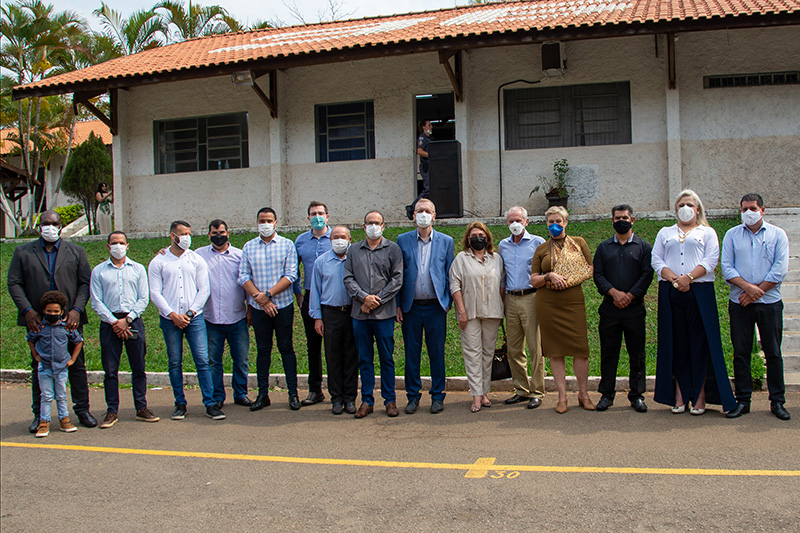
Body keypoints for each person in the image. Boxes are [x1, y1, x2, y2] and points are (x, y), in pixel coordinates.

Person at [7, 209, 96, 432]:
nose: (50, 227)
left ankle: (82, 410)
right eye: (45, 223)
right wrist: (28, 310)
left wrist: (76, 309)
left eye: (54, 223)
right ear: (40, 227)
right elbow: (14, 283)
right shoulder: (23, 252)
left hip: (69, 320)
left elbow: (85, 283)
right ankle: (40, 415)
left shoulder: (76, 251)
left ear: (60, 226)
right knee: (39, 365)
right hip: (38, 321)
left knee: (76, 365)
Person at [651, 190, 736, 415]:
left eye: (689, 204)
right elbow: (656, 259)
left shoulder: (707, 232)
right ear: (675, 209)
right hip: (671, 291)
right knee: (676, 343)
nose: (685, 208)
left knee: (699, 344)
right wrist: (675, 279)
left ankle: (699, 395)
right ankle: (679, 394)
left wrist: (688, 278)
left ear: (697, 209)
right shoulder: (665, 232)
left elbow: (710, 260)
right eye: (681, 205)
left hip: (699, 291)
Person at [722, 193, 790, 420]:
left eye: (752, 208)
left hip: (769, 303)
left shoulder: (777, 235)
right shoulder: (732, 235)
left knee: (773, 352)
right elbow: (727, 268)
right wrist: (748, 290)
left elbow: (779, 270)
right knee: (741, 352)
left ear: (762, 209)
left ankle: (777, 401)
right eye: (744, 209)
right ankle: (743, 400)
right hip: (739, 303)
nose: (748, 213)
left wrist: (754, 293)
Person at [149, 220, 224, 421]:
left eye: (189, 233)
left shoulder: (196, 259)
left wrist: (190, 313)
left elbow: (204, 289)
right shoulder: (159, 261)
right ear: (172, 236)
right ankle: (179, 403)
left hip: (195, 319)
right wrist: (172, 315)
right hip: (169, 320)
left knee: (202, 360)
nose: (187, 237)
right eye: (183, 234)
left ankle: (210, 404)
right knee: (175, 362)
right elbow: (155, 293)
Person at [530, 206, 595, 414]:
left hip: (573, 301)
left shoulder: (579, 243)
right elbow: (533, 280)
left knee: (580, 349)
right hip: (548, 303)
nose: (554, 225)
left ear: (566, 222)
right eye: (550, 222)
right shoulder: (541, 249)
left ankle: (583, 394)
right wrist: (549, 277)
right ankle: (562, 397)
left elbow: (589, 269)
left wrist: (567, 280)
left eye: (558, 221)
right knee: (555, 351)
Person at [90, 231, 158, 428]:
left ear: (127, 246)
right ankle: (112, 411)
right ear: (107, 246)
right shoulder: (99, 271)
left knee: (138, 368)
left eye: (121, 242)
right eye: (114, 243)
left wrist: (127, 320)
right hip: (109, 323)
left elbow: (143, 298)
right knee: (110, 370)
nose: (118, 246)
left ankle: (141, 407)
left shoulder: (137, 269)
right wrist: (114, 322)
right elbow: (96, 301)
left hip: (132, 320)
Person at [593, 204, 654, 413]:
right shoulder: (603, 248)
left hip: (634, 309)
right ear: (612, 220)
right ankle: (606, 394)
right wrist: (614, 293)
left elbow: (647, 274)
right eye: (618, 217)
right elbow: (598, 275)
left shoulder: (644, 247)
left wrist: (629, 295)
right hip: (610, 309)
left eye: (625, 218)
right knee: (609, 352)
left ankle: (637, 395)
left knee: (637, 353)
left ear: (633, 220)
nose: (621, 221)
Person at [238, 207, 301, 411]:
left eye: (269, 220)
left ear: (276, 222)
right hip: (259, 309)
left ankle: (293, 394)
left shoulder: (287, 245)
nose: (265, 224)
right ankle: (263, 394)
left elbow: (291, 275)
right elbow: (243, 276)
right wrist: (262, 301)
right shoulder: (248, 247)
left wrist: (268, 295)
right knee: (263, 350)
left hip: (282, 306)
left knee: (286, 348)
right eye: (261, 220)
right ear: (257, 223)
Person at [344, 210, 403, 418]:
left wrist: (376, 300)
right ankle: (367, 400)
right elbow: (348, 278)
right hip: (360, 315)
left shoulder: (393, 249)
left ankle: (390, 400)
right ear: (363, 227)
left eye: (377, 223)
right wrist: (364, 298)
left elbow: (397, 279)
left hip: (384, 314)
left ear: (383, 226)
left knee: (387, 358)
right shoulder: (353, 250)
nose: (373, 226)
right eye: (370, 223)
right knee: (364, 359)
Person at [397, 199, 454, 414]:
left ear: (434, 215)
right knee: (412, 353)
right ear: (413, 215)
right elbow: (398, 274)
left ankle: (438, 395)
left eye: (427, 211)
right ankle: (413, 396)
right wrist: (398, 305)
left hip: (435, 307)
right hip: (411, 306)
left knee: (436, 353)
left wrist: (447, 301)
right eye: (419, 211)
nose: (423, 214)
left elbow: (449, 273)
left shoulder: (446, 241)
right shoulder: (402, 240)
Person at [196, 220, 253, 409]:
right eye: (214, 232)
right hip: (210, 318)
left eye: (221, 232)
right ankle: (217, 396)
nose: (218, 235)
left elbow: (247, 282)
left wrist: (250, 309)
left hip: (237, 317)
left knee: (241, 359)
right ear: (209, 234)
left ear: (228, 233)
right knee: (214, 361)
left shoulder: (239, 255)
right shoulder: (198, 256)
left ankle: (241, 393)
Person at [450, 221, 505, 413]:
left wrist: (502, 312)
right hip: (470, 314)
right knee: (472, 354)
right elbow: (454, 285)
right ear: (468, 239)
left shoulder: (496, 259)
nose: (478, 239)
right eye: (473, 236)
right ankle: (475, 396)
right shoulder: (461, 258)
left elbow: (502, 285)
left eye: (481, 236)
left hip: (492, 313)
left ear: (488, 238)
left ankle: (485, 393)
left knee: (488, 353)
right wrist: (462, 311)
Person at [498, 206, 546, 409]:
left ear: (526, 222)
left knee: (535, 347)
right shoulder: (503, 245)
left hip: (531, 297)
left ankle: (537, 391)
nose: (514, 224)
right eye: (511, 221)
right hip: (510, 299)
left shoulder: (538, 243)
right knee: (514, 348)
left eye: (518, 220)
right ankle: (521, 389)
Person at [309, 226, 359, 415]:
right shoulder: (321, 262)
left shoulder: (355, 259)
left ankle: (350, 398)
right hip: (331, 314)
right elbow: (315, 290)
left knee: (351, 356)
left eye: (343, 237)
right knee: (333, 357)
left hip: (352, 313)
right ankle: (336, 398)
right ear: (330, 240)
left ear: (350, 239)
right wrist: (317, 318)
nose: (339, 240)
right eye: (336, 237)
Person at [27, 291, 82, 437]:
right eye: (49, 311)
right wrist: (35, 355)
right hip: (44, 368)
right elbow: (30, 339)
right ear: (44, 311)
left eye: (56, 311)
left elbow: (78, 342)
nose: (52, 313)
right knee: (46, 395)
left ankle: (64, 420)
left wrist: (73, 359)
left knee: (61, 395)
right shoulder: (40, 327)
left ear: (62, 311)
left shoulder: (66, 328)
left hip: (61, 367)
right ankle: (44, 422)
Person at [293, 201, 332, 406]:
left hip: (333, 299)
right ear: (308, 218)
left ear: (327, 216)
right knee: (313, 345)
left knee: (335, 346)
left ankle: (337, 390)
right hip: (309, 297)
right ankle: (315, 390)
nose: (317, 216)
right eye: (313, 214)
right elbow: (293, 270)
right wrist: (299, 294)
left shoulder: (337, 238)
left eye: (320, 213)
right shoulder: (300, 241)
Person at [405, 119, 433, 220]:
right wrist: (433, 155)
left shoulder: (429, 139)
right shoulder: (422, 137)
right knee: (428, 190)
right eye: (429, 125)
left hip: (431, 167)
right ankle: (412, 207)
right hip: (426, 167)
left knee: (432, 189)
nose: (431, 127)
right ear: (424, 127)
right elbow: (420, 151)